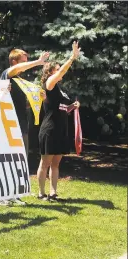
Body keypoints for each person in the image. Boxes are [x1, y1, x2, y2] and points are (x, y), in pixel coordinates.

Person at [0, 49, 50, 206]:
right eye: (23, 61)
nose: (26, 65)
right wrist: (38, 62)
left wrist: (38, 98)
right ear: (14, 62)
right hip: (7, 124)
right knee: (5, 159)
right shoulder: (8, 75)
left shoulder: (20, 82)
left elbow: (23, 105)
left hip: (21, 124)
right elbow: (15, 70)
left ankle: (14, 194)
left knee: (19, 160)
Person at [37, 41, 81, 201]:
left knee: (56, 163)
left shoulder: (61, 90)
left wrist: (72, 107)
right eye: (57, 71)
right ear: (50, 73)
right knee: (45, 162)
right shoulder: (49, 84)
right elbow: (63, 70)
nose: (60, 73)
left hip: (61, 129)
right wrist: (72, 57)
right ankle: (41, 193)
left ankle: (53, 192)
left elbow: (61, 108)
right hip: (50, 129)